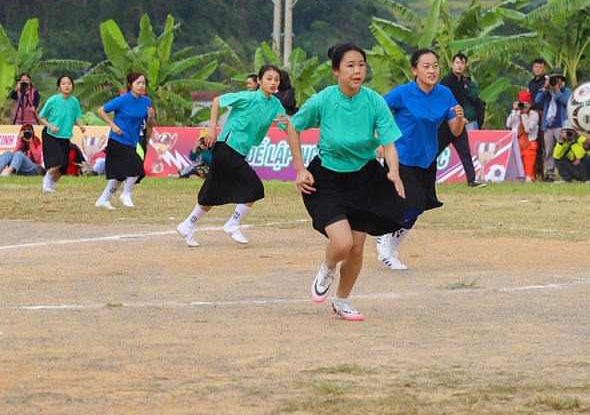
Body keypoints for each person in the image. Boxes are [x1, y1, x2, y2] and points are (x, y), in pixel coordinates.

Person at [288, 42, 425, 321]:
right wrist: (300, 169)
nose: (357, 70)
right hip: (326, 179)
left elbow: (388, 143)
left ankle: (341, 301)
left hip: (365, 179)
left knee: (357, 248)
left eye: (361, 64)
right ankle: (327, 267)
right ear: (336, 71)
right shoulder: (323, 100)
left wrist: (394, 171)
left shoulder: (374, 100)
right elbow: (294, 126)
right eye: (350, 65)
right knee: (341, 245)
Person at [176, 65, 289, 247]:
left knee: (211, 194)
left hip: (239, 152)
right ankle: (232, 224)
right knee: (255, 187)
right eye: (269, 78)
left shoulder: (275, 104)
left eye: (276, 79)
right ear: (259, 81)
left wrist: (292, 124)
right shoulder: (247, 97)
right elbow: (217, 101)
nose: (273, 82)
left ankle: (187, 225)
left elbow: (287, 126)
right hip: (226, 148)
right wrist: (212, 127)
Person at [377, 48, 468, 270]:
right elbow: (376, 110)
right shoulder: (403, 93)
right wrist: (379, 140)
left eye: (435, 65)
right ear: (414, 70)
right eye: (426, 66)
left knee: (420, 207)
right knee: (413, 203)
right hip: (401, 157)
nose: (432, 70)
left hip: (427, 158)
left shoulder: (445, 93)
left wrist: (459, 118)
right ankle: (383, 239)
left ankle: (389, 249)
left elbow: (455, 131)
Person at [94, 71, 155, 210]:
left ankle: (102, 200)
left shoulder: (145, 101)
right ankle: (126, 194)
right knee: (136, 167)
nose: (141, 86)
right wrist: (113, 125)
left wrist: (150, 116)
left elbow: (151, 124)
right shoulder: (122, 99)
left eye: (143, 83)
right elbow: (101, 110)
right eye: (138, 83)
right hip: (117, 140)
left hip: (132, 141)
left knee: (120, 175)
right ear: (130, 84)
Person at [439, 52, 485, 187]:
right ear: (452, 65)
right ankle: (422, 176)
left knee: (465, 151)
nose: (459, 66)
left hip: (459, 123)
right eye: (457, 63)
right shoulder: (447, 80)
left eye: (462, 63)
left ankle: (471, 180)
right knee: (434, 151)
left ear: (465, 66)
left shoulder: (463, 82)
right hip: (446, 124)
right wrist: (456, 116)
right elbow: (443, 102)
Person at [36, 75, 84, 193]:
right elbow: (41, 116)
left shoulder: (74, 101)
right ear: (59, 87)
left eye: (69, 83)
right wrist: (51, 127)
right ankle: (46, 181)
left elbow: (77, 116)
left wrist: (81, 126)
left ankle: (49, 187)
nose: (67, 86)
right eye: (63, 83)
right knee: (58, 161)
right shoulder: (53, 100)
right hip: (50, 135)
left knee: (63, 168)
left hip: (65, 136)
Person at [535, 67, 572, 182]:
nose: (556, 81)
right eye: (553, 78)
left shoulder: (566, 91)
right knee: (549, 152)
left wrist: (557, 92)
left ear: (561, 80)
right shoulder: (547, 92)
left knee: (564, 150)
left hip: (561, 125)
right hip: (548, 126)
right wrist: (545, 88)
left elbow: (568, 103)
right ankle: (550, 175)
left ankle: (566, 174)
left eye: (558, 78)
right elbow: (537, 100)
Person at [506, 90, 540, 182]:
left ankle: (528, 176)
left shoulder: (534, 115)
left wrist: (524, 115)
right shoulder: (516, 113)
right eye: (522, 104)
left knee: (529, 153)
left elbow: (528, 129)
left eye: (526, 104)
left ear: (530, 104)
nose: (523, 107)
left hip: (529, 143)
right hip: (516, 143)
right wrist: (514, 111)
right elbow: (508, 124)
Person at [527, 58, 548, 178]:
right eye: (535, 67)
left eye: (540, 67)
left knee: (543, 141)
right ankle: (535, 169)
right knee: (533, 141)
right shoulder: (531, 82)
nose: (538, 69)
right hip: (532, 114)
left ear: (544, 68)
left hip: (544, 114)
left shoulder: (547, 82)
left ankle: (544, 170)